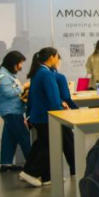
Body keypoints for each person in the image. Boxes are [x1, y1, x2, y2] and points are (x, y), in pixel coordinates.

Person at [19, 48, 76, 188]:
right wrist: (60, 112)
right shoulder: (47, 74)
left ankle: (46, 176)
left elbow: (40, 96)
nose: (58, 59)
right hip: (46, 116)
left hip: (38, 115)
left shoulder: (38, 72)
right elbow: (53, 98)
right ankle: (30, 172)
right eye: (57, 56)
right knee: (48, 146)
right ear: (51, 57)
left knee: (42, 144)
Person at [0, 50, 30, 173]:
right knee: (24, 136)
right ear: (13, 63)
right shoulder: (2, 75)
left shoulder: (5, 74)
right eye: (20, 63)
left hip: (10, 110)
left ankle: (6, 164)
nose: (20, 67)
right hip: (12, 111)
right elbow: (8, 92)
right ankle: (32, 164)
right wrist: (23, 87)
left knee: (9, 138)